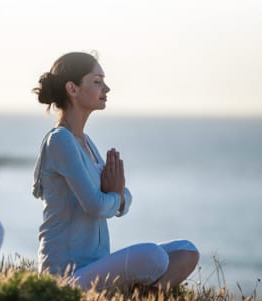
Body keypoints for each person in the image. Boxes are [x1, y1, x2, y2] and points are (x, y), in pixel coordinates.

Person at [32, 52, 199, 291]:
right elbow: (96, 206)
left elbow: (121, 197)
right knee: (153, 256)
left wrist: (117, 197)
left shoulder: (86, 142)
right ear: (72, 88)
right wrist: (116, 196)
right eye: (97, 81)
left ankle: (140, 297)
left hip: (96, 267)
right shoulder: (60, 140)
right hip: (64, 278)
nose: (107, 88)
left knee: (186, 251)